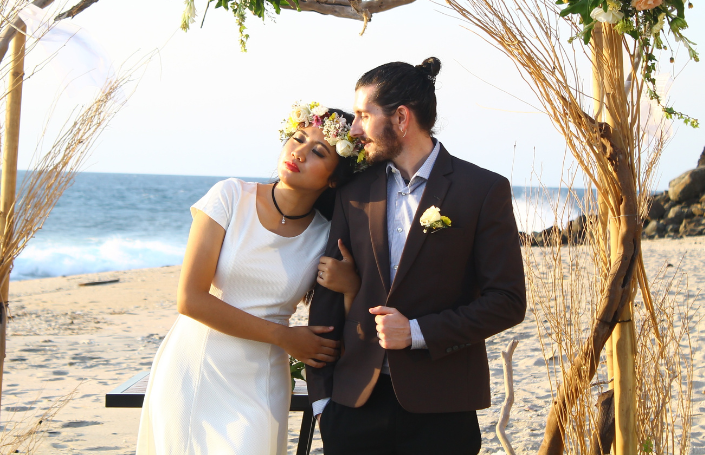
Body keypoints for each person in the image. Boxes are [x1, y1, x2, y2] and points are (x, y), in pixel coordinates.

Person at [307, 58, 527, 455]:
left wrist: (417, 332)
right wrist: (323, 401)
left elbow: (508, 302)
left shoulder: (483, 190)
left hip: (443, 409)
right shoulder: (352, 191)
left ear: (402, 118)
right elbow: (326, 301)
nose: (354, 129)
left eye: (362, 115)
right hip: (353, 406)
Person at [135, 102, 365, 455]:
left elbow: (345, 323)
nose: (298, 153)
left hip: (261, 379)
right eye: (297, 138)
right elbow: (190, 299)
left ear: (334, 177)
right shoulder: (229, 196)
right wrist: (284, 337)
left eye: (317, 151)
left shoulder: (327, 237)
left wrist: (350, 286)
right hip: (195, 364)